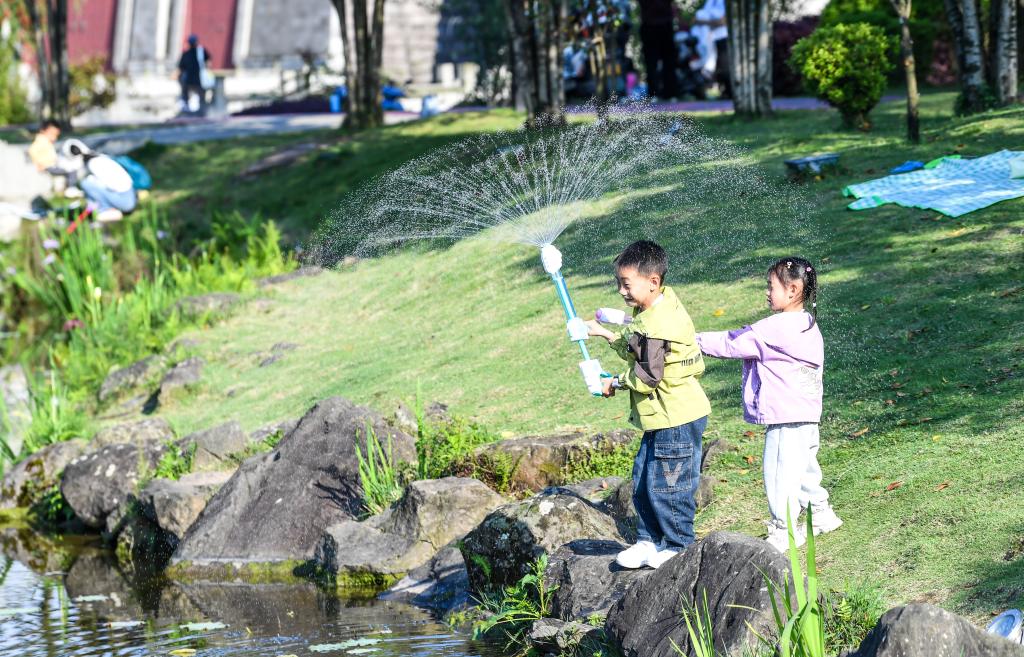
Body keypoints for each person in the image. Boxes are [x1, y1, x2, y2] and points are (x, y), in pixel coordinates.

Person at [695, 258, 842, 552]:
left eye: (770, 286)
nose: (766, 292)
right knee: (803, 469)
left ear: (792, 290)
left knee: (779, 474)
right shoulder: (807, 323)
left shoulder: (776, 327)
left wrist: (690, 340)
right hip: (807, 414)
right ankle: (820, 513)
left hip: (785, 416)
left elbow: (731, 343)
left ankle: (784, 530)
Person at [586, 240, 711, 569]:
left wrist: (614, 382)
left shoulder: (659, 324)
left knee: (669, 486)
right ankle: (649, 541)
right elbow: (637, 348)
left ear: (653, 281)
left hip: (676, 417)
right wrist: (605, 334)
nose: (621, 291)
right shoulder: (653, 308)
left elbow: (647, 376)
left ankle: (678, 546)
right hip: (660, 416)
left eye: (626, 284)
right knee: (642, 481)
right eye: (619, 283)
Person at [67, 141, 137, 222]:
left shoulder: (93, 164)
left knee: (86, 183)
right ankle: (100, 209)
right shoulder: (100, 157)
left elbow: (111, 185)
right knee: (90, 184)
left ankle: (105, 210)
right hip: (130, 195)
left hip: (124, 201)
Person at [27, 120, 83, 197]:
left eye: (56, 135)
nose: (54, 137)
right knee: (71, 169)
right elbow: (32, 150)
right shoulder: (41, 141)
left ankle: (69, 188)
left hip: (51, 165)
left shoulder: (46, 142)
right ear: (43, 131)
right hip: (48, 166)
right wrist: (38, 163)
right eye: (52, 134)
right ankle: (71, 188)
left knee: (70, 168)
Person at [638, 0, 678, 100]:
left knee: (668, 61)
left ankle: (670, 93)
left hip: (664, 25)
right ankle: (654, 93)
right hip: (649, 25)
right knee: (651, 62)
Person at [692, 0, 730, 98]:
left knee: (725, 68)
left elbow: (722, 22)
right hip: (710, 40)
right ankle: (722, 92)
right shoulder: (709, 2)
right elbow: (694, 20)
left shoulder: (724, 2)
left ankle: (728, 92)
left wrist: (702, 22)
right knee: (716, 68)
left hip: (722, 38)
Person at [178, 34, 212, 115]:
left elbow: (181, 68)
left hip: (192, 80)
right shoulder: (201, 52)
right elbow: (208, 63)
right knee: (201, 97)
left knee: (188, 96)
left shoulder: (187, 54)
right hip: (198, 79)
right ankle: (201, 112)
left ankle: (188, 111)